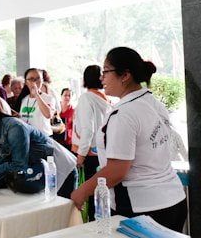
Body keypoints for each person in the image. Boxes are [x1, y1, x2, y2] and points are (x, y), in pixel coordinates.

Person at [71, 47, 187, 232]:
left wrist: (82, 191)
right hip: (173, 200)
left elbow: (117, 170)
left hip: (142, 209)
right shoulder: (152, 102)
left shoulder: (123, 114)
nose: (102, 78)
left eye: (106, 71)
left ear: (124, 75)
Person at [72, 65, 111, 221]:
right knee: (100, 197)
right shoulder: (105, 99)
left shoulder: (86, 98)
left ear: (85, 79)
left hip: (88, 154)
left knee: (91, 197)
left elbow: (87, 129)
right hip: (101, 153)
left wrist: (81, 155)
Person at [14, 68, 56, 136]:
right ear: (26, 82)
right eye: (31, 79)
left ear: (42, 81)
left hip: (43, 138)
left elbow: (48, 115)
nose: (35, 82)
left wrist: (36, 94)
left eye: (38, 79)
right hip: (28, 137)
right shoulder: (24, 99)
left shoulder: (48, 98)